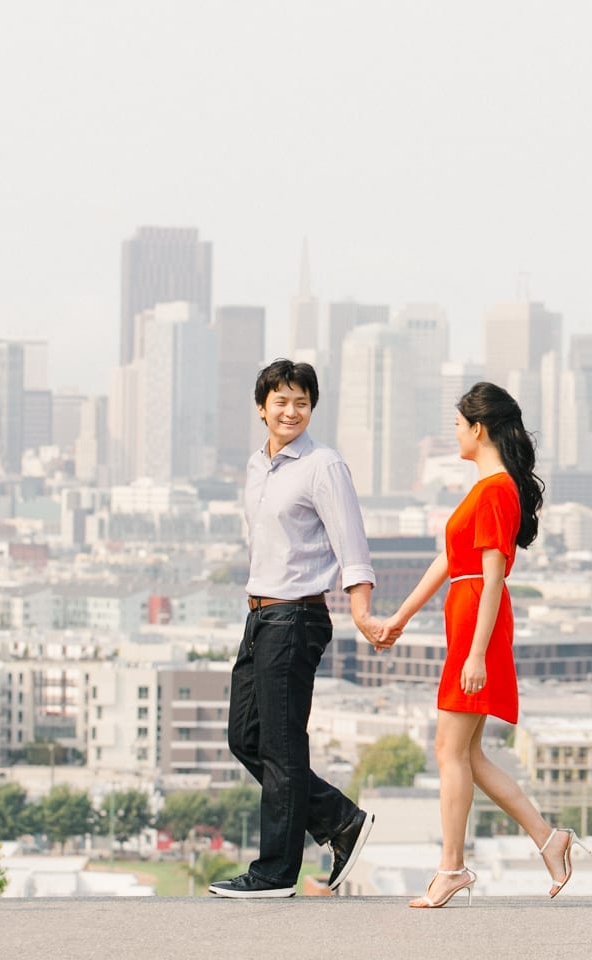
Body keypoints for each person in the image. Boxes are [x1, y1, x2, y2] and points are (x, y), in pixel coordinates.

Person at [378, 381, 582, 908]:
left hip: (477, 624)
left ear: (478, 428)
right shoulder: (487, 487)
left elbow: (492, 578)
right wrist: (400, 617)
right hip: (467, 617)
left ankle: (450, 869)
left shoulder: (494, 491)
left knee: (450, 751)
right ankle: (548, 839)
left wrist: (474, 654)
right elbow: (450, 562)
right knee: (467, 753)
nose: (453, 434)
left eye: (457, 425)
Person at [209, 359, 382, 899]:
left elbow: (352, 544)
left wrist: (361, 609)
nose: (291, 411)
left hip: (296, 615)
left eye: (301, 402)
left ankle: (274, 874)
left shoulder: (323, 466)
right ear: (261, 408)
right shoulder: (257, 466)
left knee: (283, 749)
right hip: (259, 613)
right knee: (247, 738)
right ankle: (340, 821)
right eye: (281, 401)